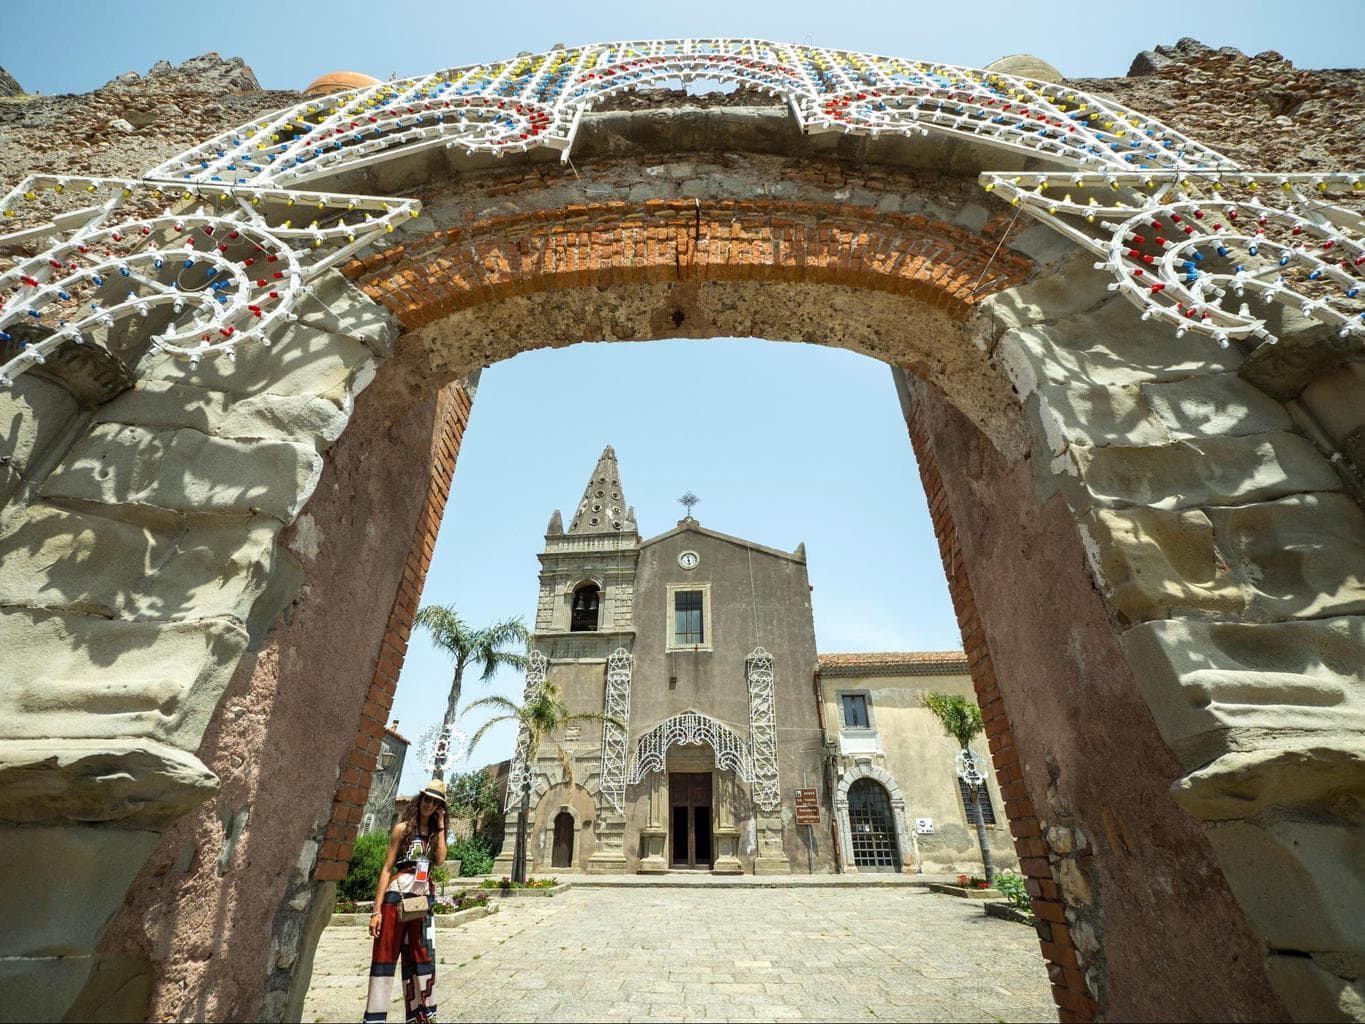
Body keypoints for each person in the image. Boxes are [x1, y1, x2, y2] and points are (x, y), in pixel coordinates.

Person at [363, 780, 448, 1023]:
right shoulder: (402, 829)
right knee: (385, 955)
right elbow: (386, 868)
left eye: (435, 802)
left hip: (422, 900)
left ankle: (422, 1016)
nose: (429, 805)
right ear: (419, 800)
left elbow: (440, 861)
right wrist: (376, 911)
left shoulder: (434, 834)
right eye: (427, 799)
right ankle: (374, 1018)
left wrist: (440, 826)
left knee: (423, 957)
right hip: (397, 895)